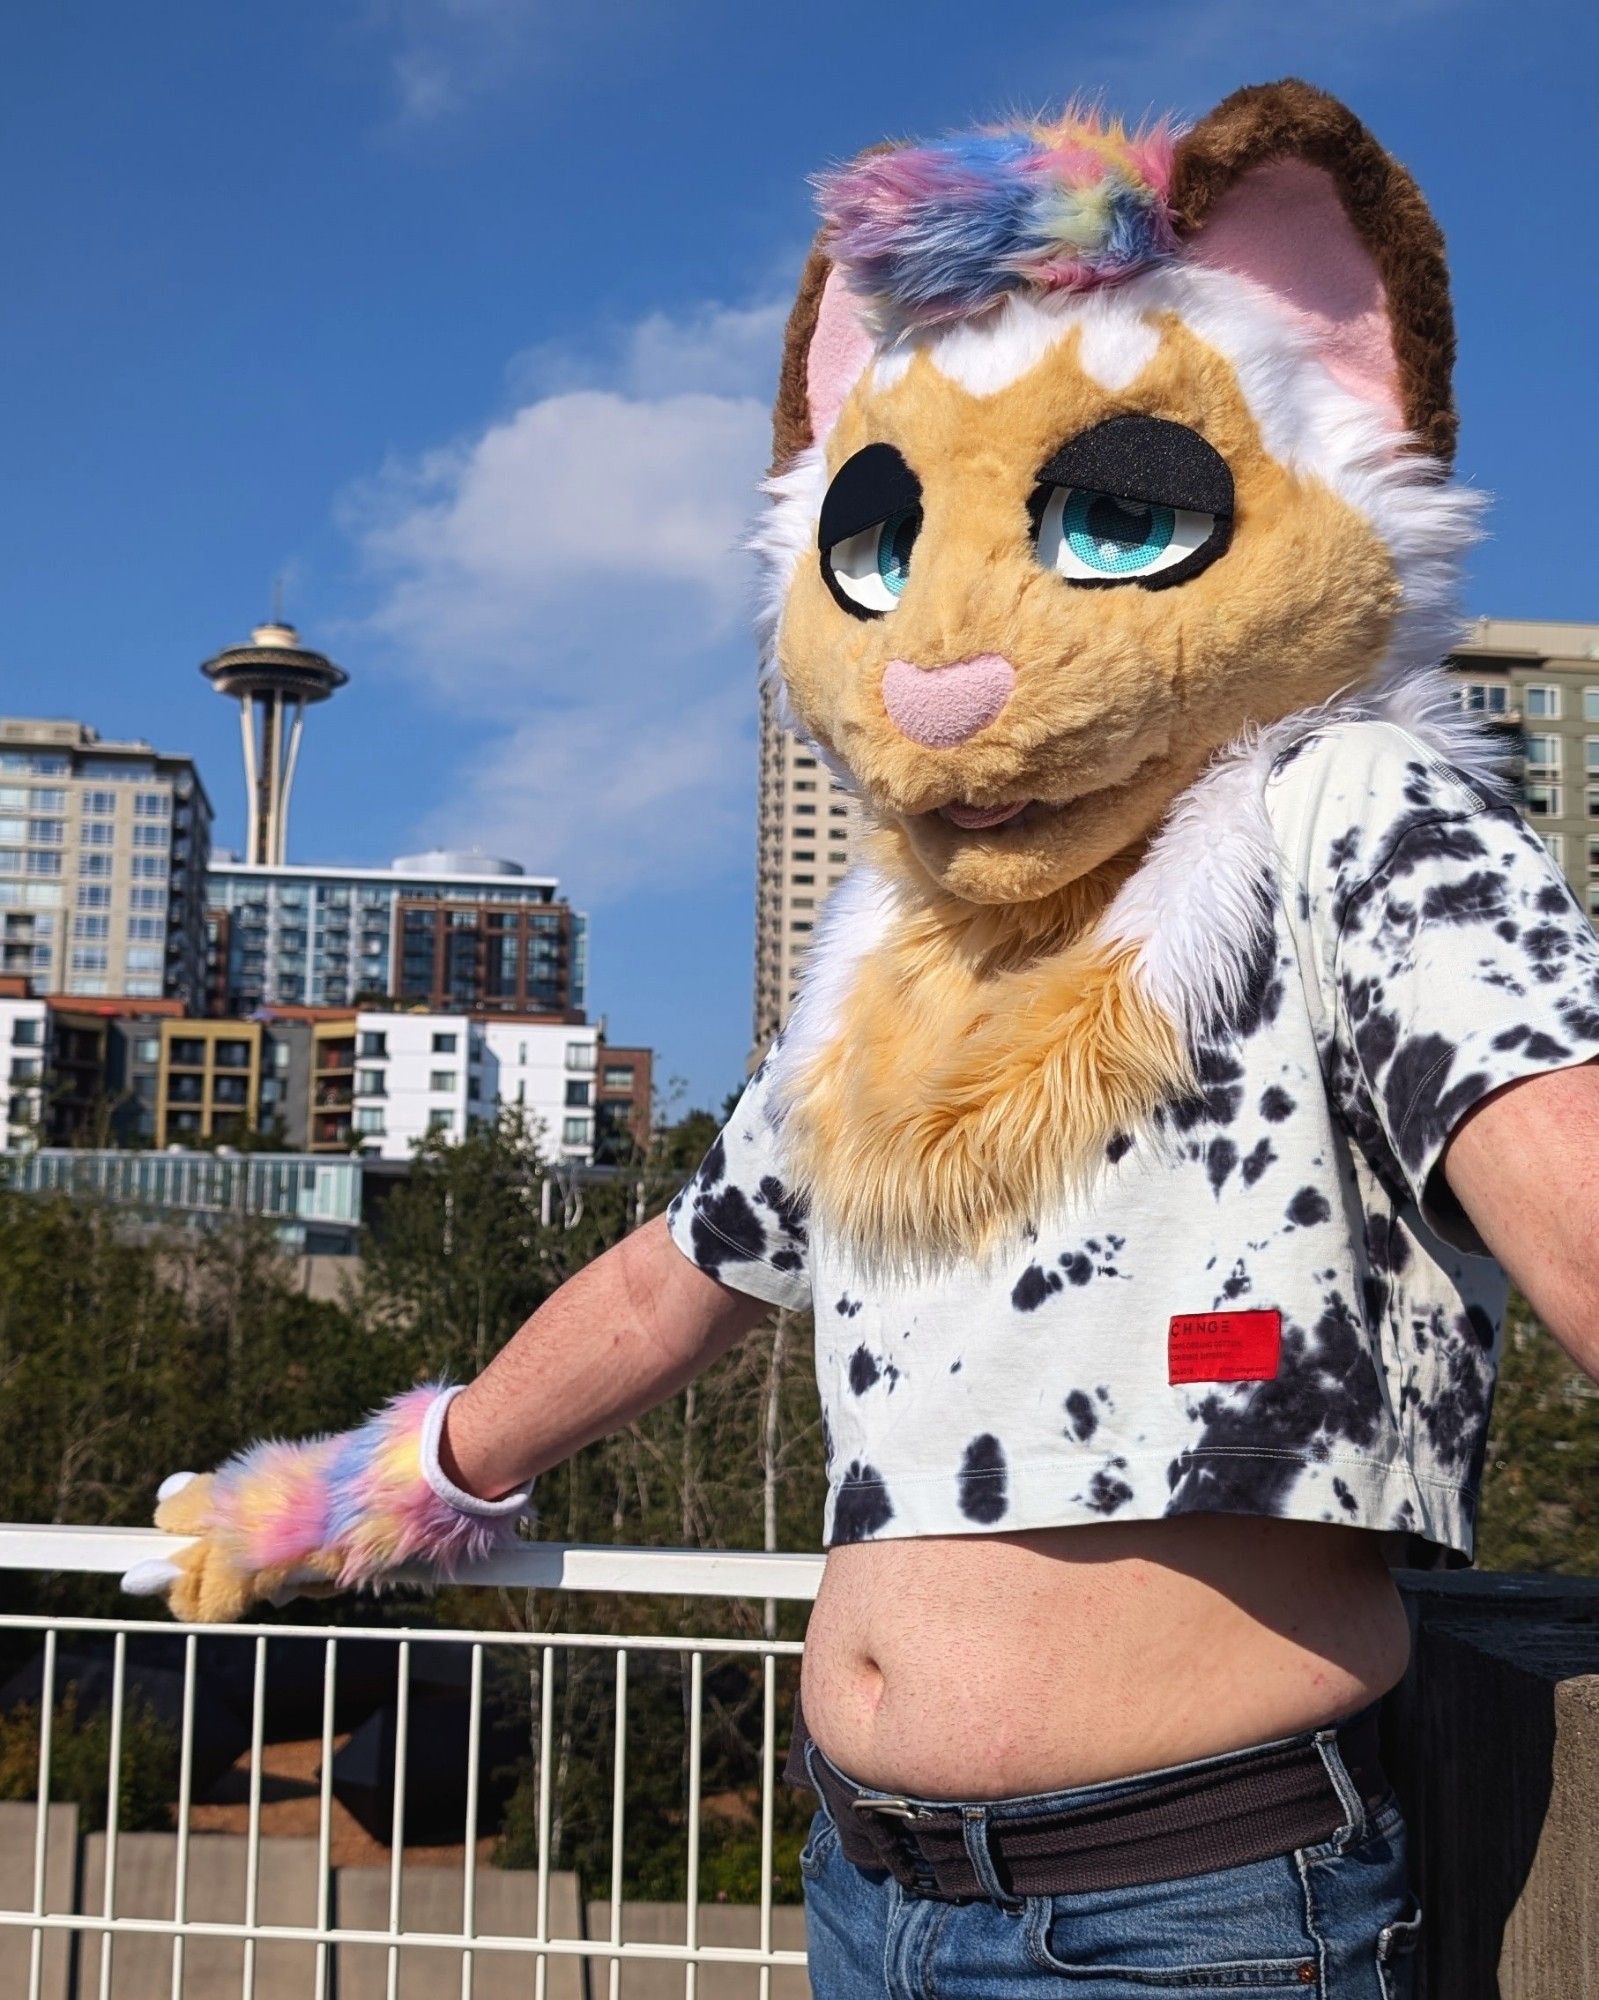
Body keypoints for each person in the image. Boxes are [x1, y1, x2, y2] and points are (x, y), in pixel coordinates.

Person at [127, 79, 1599, 1997]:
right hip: (865, 1888)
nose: (942, 655)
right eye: (882, 540)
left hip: (1194, 1906)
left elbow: (1556, 1159)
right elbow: (690, 1267)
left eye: (1120, 515)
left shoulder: (1345, 814)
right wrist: (389, 1486)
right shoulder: (899, 949)